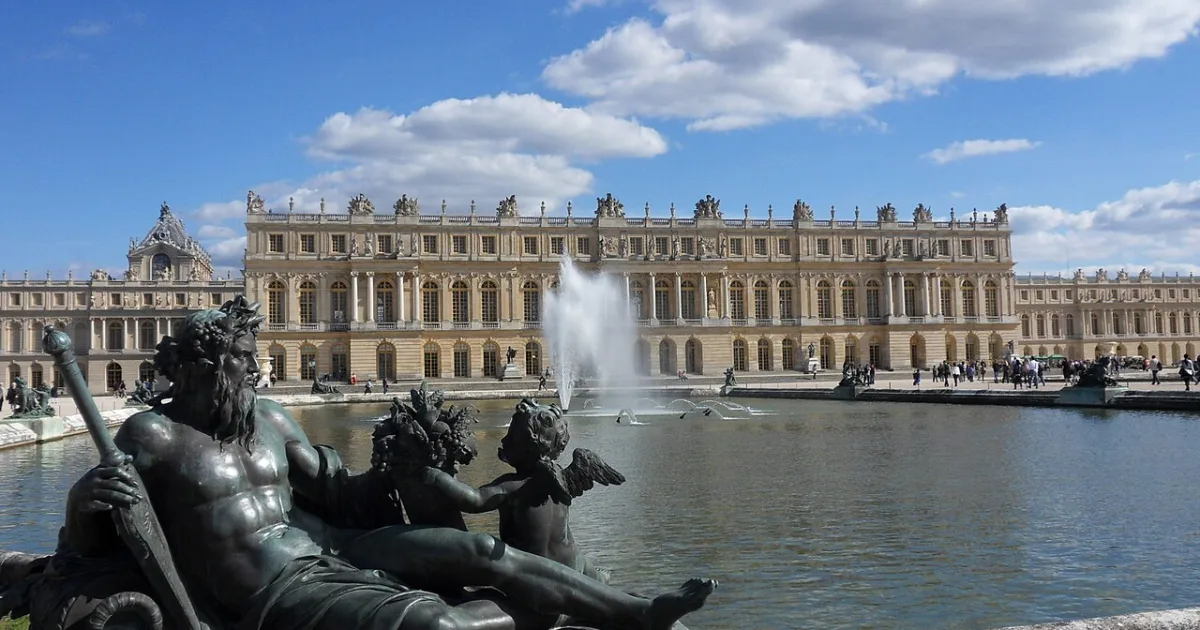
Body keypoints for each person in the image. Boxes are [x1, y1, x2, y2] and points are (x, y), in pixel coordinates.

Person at [65, 297, 714, 630]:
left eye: (249, 362)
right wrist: (84, 498)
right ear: (203, 368)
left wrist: (399, 468)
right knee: (432, 622)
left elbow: (342, 495)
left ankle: (635, 614)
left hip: (333, 547)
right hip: (271, 588)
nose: (251, 373)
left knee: (485, 557)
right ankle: (552, 613)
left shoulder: (268, 419)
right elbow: (95, 543)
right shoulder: (154, 434)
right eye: (239, 364)